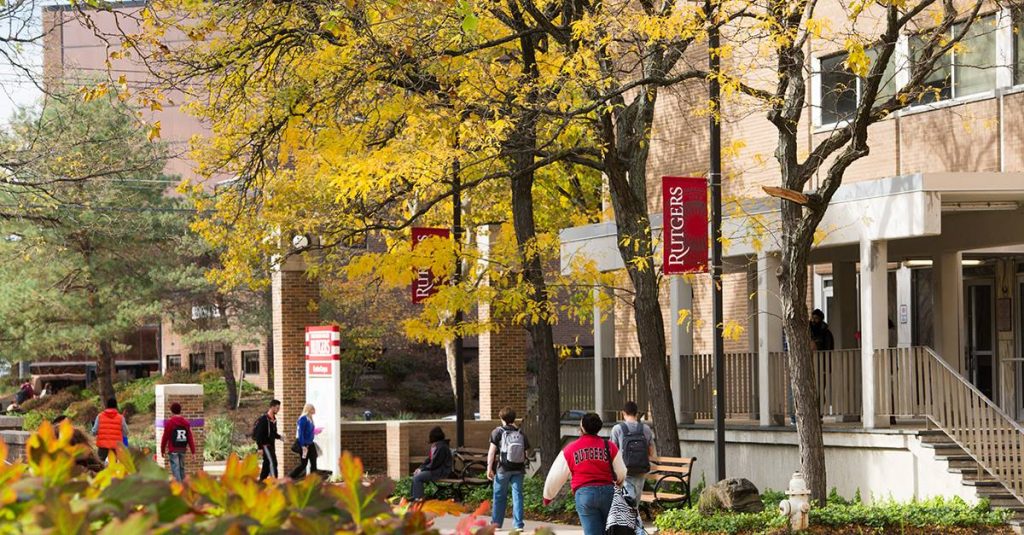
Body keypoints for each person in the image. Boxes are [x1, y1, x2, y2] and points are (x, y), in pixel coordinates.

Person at [543, 412, 627, 535]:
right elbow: (621, 471)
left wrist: (548, 496)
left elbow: (555, 475)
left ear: (582, 427)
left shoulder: (570, 449)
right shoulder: (610, 446)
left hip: (584, 494)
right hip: (608, 492)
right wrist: (619, 483)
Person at [487, 406, 530, 530]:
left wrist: (489, 468)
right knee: (518, 496)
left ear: (502, 418)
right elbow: (526, 453)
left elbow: (492, 452)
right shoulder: (521, 433)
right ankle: (518, 525)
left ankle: (496, 524)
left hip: (503, 469)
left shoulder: (497, 432)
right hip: (518, 469)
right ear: (513, 418)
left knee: (499, 496)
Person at [609, 401, 654, 502]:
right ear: (637, 413)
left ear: (623, 413)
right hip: (641, 469)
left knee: (626, 500)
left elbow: (612, 452)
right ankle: (633, 514)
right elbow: (651, 452)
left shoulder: (617, 429)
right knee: (635, 501)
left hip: (624, 469)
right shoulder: (646, 429)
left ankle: (628, 513)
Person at [411, 426, 453, 500]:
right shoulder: (436, 446)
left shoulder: (442, 447)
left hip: (441, 471)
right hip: (435, 470)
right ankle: (415, 497)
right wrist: (420, 468)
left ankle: (418, 499)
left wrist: (423, 470)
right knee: (416, 475)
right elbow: (429, 460)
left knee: (418, 478)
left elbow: (435, 463)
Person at [160, 402, 196, 482]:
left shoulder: (170, 423)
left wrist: (162, 450)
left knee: (176, 469)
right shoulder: (186, 423)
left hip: (173, 449)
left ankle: (180, 488)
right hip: (182, 448)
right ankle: (184, 487)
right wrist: (193, 452)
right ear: (180, 410)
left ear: (172, 411)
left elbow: (165, 437)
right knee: (182, 468)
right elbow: (190, 438)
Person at [253, 399, 283, 481]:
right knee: (273, 463)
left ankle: (261, 482)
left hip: (271, 445)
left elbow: (273, 433)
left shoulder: (273, 420)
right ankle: (275, 483)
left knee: (266, 464)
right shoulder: (264, 420)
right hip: (265, 446)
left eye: (279, 408)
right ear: (272, 407)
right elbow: (259, 435)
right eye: (277, 408)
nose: (278, 410)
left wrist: (280, 437)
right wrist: (259, 448)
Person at [91, 397, 128, 463]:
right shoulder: (120, 418)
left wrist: (95, 433)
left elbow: (94, 431)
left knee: (99, 463)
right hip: (115, 446)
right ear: (116, 406)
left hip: (103, 445)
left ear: (107, 406)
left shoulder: (100, 416)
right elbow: (126, 431)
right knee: (114, 464)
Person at [289, 403, 318, 479]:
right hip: (304, 445)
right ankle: (290, 477)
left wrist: (316, 431)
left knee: (314, 462)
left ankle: (313, 480)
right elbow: (300, 433)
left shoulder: (310, 418)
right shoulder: (303, 419)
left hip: (311, 444)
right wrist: (303, 446)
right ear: (308, 409)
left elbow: (309, 431)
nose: (314, 410)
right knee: (303, 464)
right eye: (312, 409)